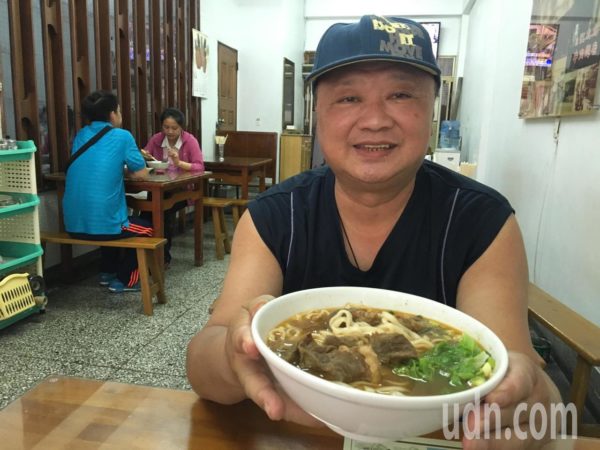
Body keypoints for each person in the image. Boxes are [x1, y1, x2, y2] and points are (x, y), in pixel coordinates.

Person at [186, 15, 561, 449]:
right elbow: (203, 362)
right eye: (348, 98)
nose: (375, 120)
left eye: (400, 95)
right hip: (293, 435)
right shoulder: (275, 216)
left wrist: (532, 397)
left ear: (432, 110)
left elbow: (518, 374)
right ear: (318, 114)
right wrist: (235, 359)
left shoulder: (481, 221)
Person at [63, 90, 152, 293]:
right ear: (113, 114)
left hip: (72, 224)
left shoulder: (80, 135)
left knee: (112, 220)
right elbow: (141, 175)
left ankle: (107, 272)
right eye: (119, 110)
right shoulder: (122, 136)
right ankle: (126, 280)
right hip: (104, 225)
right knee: (147, 229)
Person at [141, 107, 204, 265]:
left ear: (182, 127)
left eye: (174, 128)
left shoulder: (190, 141)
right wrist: (144, 156)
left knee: (164, 212)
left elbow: (199, 167)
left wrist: (178, 163)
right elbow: (146, 155)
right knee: (148, 211)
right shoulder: (156, 139)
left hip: (182, 188)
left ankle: (163, 257)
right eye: (166, 127)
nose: (169, 131)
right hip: (159, 186)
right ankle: (144, 255)